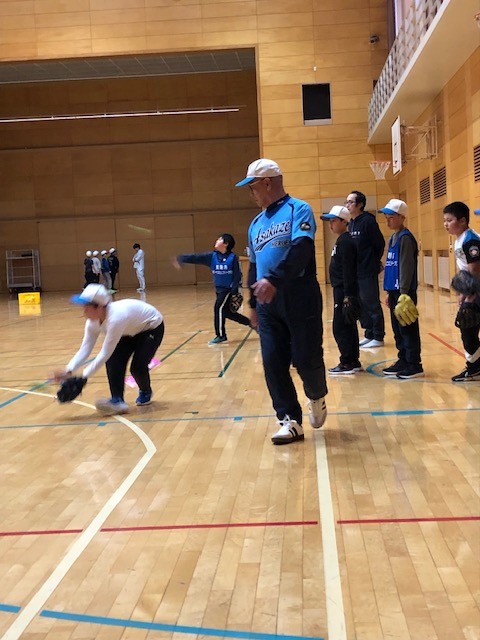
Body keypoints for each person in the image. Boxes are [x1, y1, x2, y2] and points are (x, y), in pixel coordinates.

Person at [235, 158, 328, 445]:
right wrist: (253, 304)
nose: (251, 193)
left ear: (266, 183)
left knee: (305, 358)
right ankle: (289, 420)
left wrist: (275, 279)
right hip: (268, 301)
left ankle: (316, 395)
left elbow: (302, 249)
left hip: (299, 295)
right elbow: (253, 266)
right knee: (273, 361)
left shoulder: (298, 209)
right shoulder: (255, 224)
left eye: (252, 187)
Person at [53, 283, 164, 415]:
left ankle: (145, 391)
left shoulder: (116, 318)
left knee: (137, 367)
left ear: (100, 306)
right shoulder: (92, 322)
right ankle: (117, 401)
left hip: (150, 328)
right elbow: (85, 348)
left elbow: (105, 352)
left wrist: (83, 377)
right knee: (114, 361)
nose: (84, 310)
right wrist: (69, 370)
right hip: (127, 331)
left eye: (87, 306)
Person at [172, 233, 251, 345]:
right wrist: (181, 258)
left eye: (219, 239)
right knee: (227, 313)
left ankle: (221, 335)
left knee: (218, 308)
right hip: (218, 289)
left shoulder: (232, 258)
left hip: (228, 290)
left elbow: (237, 275)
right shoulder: (212, 256)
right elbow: (196, 257)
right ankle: (252, 323)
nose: (216, 241)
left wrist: (234, 291)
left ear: (226, 244)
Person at [379, 199, 423, 379]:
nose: (387, 221)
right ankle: (403, 359)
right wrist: (389, 291)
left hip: (404, 292)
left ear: (401, 217)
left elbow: (406, 266)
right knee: (397, 329)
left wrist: (404, 293)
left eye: (391, 217)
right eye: (386, 217)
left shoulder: (405, 238)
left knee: (407, 328)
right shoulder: (393, 238)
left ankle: (414, 364)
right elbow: (392, 266)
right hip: (394, 290)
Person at [321, 205, 362, 375]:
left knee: (341, 327)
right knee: (346, 325)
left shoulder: (346, 242)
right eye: (329, 221)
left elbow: (348, 270)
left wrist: (348, 295)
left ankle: (347, 362)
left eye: (333, 221)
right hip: (340, 289)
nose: (330, 224)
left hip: (344, 291)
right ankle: (352, 360)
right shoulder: (342, 240)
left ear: (344, 222)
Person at [443, 201, 480, 381]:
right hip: (473, 290)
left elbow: (475, 270)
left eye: (450, 220)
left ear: (463, 221)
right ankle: (475, 367)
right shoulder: (460, 239)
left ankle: (474, 368)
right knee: (468, 328)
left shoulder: (470, 240)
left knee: (468, 326)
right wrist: (462, 292)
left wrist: (469, 295)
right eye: (444, 220)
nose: (446, 224)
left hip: (477, 291)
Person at [345, 190, 385, 348]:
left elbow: (379, 243)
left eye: (350, 202)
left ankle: (378, 336)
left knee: (371, 302)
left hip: (367, 270)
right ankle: (369, 333)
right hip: (355, 271)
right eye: (346, 202)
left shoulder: (368, 221)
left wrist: (373, 261)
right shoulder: (351, 222)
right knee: (361, 303)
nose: (347, 205)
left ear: (360, 204)